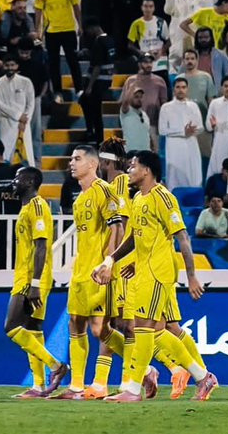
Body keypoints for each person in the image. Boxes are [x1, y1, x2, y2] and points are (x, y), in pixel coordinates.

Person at [93, 150, 217, 403]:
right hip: (143, 272)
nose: (129, 170)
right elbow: (134, 237)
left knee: (143, 328)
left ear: (147, 170)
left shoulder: (164, 198)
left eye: (133, 166)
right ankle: (202, 376)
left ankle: (133, 389)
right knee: (156, 330)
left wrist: (192, 276)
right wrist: (112, 260)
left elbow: (182, 237)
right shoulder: (139, 198)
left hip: (158, 273)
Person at [51, 144, 123, 399]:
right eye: (71, 158)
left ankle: (142, 369)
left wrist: (108, 263)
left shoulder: (104, 190)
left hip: (99, 271)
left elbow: (117, 227)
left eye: (78, 158)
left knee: (100, 329)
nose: (72, 162)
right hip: (81, 271)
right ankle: (76, 386)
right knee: (75, 324)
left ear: (92, 164)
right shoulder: (80, 199)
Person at [3, 165, 68, 398]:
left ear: (30, 182)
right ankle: (38, 386)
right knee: (33, 328)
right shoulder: (26, 208)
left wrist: (36, 283)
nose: (14, 182)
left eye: (18, 178)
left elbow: (42, 246)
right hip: (29, 276)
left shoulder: (38, 207)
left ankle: (56, 366)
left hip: (31, 278)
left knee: (11, 327)